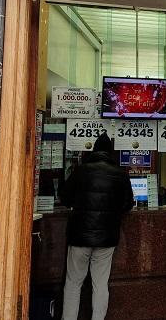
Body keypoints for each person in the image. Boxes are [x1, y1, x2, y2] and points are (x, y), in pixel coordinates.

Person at [60, 132, 134, 320]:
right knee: (100, 284)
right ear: (111, 152)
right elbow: (127, 205)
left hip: (79, 237)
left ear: (94, 150)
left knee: (73, 283)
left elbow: (65, 197)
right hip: (106, 238)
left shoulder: (81, 170)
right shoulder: (120, 174)